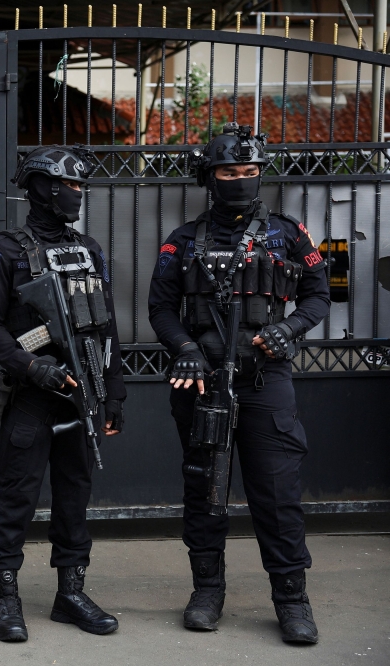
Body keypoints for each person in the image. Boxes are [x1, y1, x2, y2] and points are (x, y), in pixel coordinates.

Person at [147, 123, 330, 644]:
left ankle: (292, 600)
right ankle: (207, 591)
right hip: (202, 382)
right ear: (210, 177)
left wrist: (288, 327)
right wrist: (184, 350)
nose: (242, 180)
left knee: (277, 492)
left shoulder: (290, 234)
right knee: (205, 489)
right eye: (230, 172)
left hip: (265, 377)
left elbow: (317, 296)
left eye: (250, 172)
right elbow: (161, 309)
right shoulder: (182, 241)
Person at [0, 145, 126, 643]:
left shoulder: (88, 248)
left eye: (81, 187)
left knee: (73, 499)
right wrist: (31, 366)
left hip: (83, 393)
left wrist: (116, 395)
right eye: (70, 185)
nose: (76, 194)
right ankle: (5, 599)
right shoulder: (5, 251)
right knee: (15, 498)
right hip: (32, 396)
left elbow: (106, 327)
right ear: (42, 187)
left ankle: (70, 595)